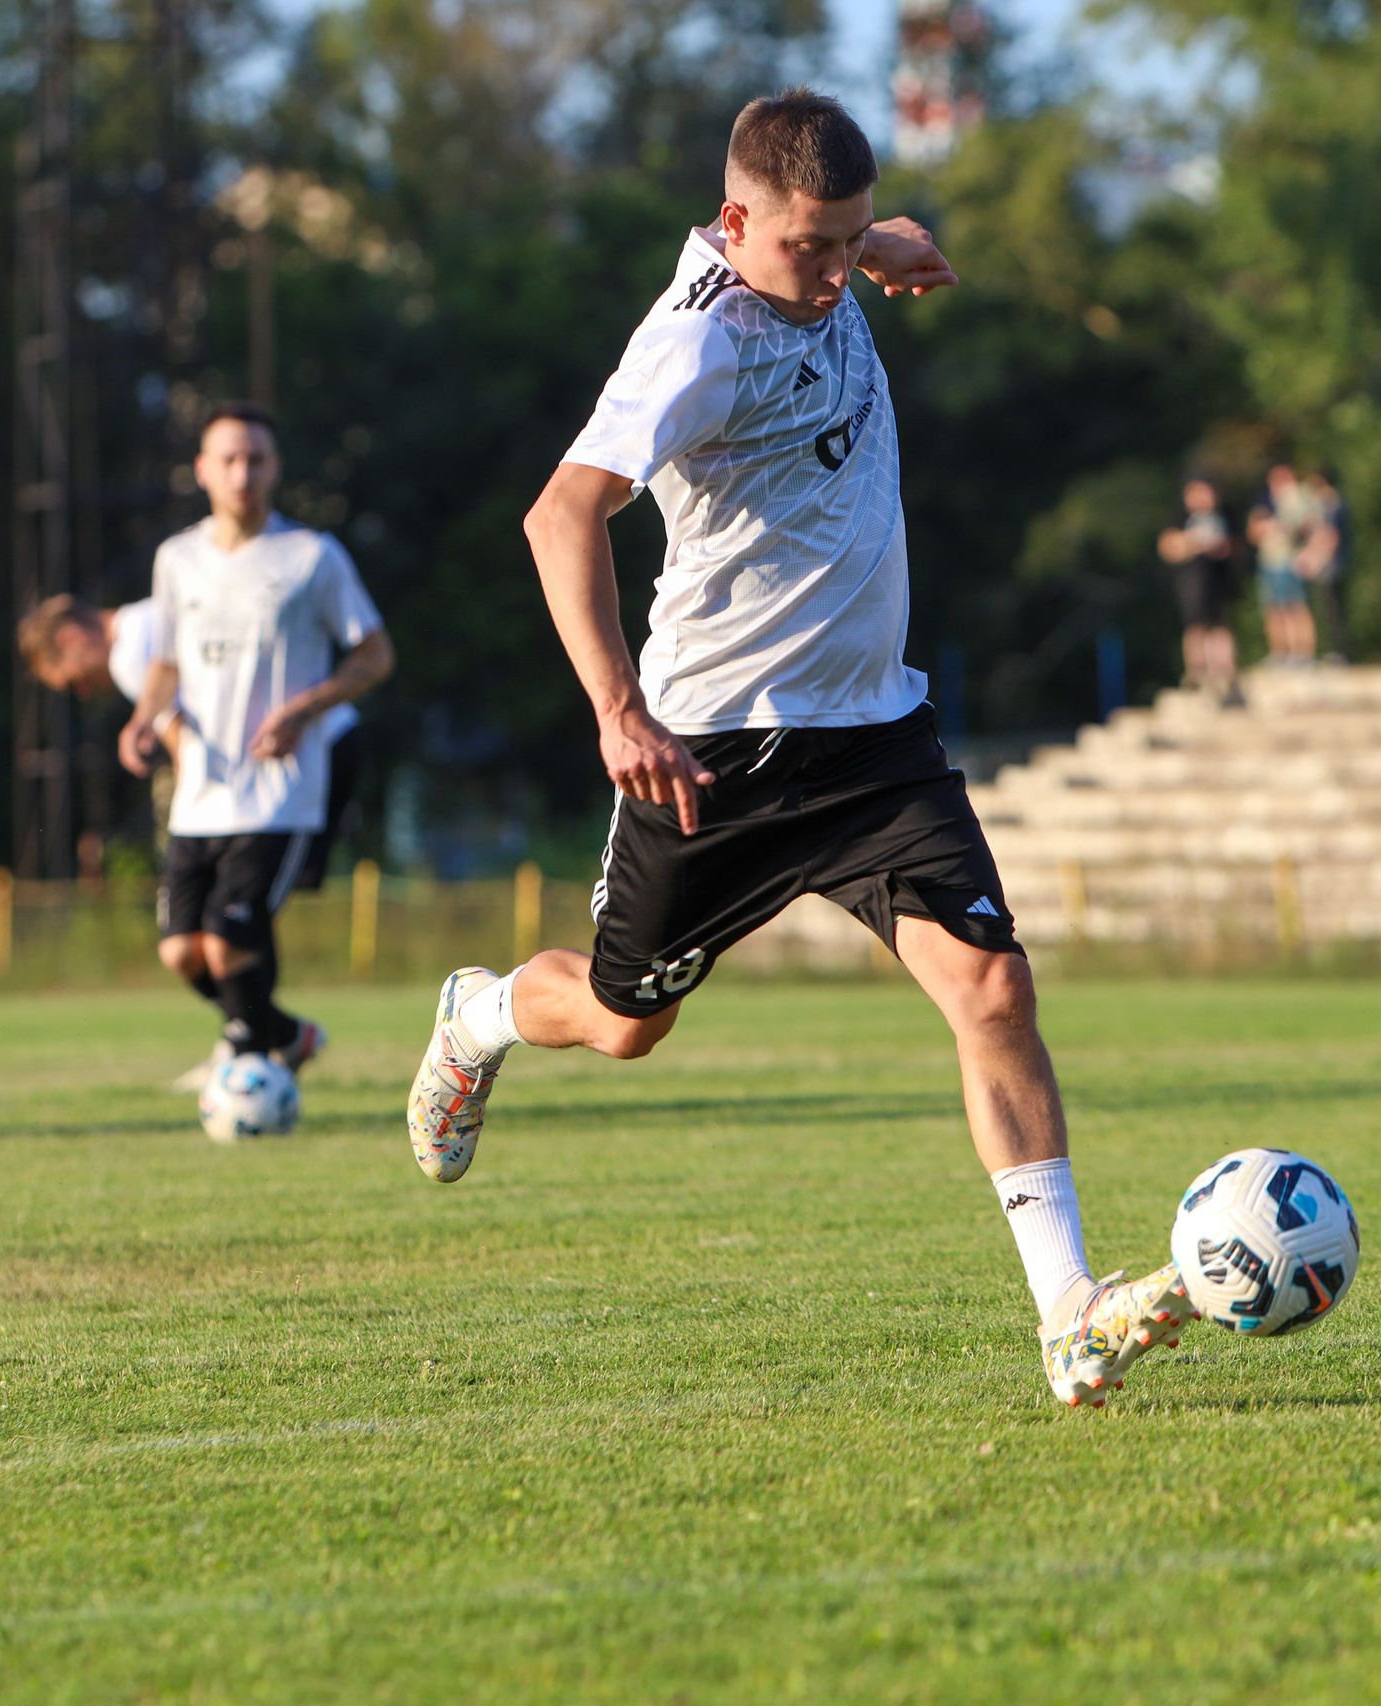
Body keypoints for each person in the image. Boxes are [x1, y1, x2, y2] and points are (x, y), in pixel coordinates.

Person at [401, 89, 1192, 1410]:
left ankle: (1069, 1312)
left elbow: (862, 238)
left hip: (879, 739)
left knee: (994, 992)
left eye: (846, 241)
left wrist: (888, 243)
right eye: (807, 249)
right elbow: (560, 514)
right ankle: (477, 1017)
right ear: (735, 223)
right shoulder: (693, 349)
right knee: (619, 1023)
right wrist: (613, 706)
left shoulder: (825, 256)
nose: (831, 273)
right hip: (714, 756)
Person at [120, 403, 395, 1084]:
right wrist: (144, 719)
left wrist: (305, 709)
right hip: (199, 793)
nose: (243, 472)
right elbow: (166, 662)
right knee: (182, 952)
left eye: (257, 459)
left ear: (274, 468)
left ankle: (248, 1071)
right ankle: (283, 1036)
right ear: (203, 471)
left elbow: (374, 655)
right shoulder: (176, 559)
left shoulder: (312, 557)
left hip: (280, 790)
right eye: (229, 459)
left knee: (228, 941)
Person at [20, 592, 368, 1088]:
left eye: (73, 681)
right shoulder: (148, 621)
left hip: (306, 756)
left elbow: (187, 750)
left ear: (73, 640)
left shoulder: (133, 652)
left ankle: (248, 1047)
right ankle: (267, 1035)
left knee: (237, 922)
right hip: (280, 770)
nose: (82, 691)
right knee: (203, 937)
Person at [1156, 477, 1243, 707]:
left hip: (1219, 582)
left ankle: (1225, 672)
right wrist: (1190, 543)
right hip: (1191, 582)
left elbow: (1237, 545)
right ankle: (1197, 672)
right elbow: (1166, 546)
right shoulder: (1180, 516)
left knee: (1220, 625)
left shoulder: (1225, 513)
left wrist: (1221, 547)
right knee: (1195, 626)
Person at [1249, 463, 1317, 666]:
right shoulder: (1265, 502)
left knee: (1296, 607)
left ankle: (1303, 653)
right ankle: (1281, 653)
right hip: (1270, 562)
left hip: (1291, 561)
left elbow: (1308, 527)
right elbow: (1254, 532)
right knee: (1274, 609)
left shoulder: (1301, 500)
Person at [1298, 466, 1351, 665]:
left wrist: (1315, 559)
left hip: (1333, 564)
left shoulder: (1332, 504)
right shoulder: (1326, 504)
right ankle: (1335, 650)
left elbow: (1331, 535)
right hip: (1330, 563)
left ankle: (1340, 651)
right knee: (1329, 610)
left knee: (1335, 610)